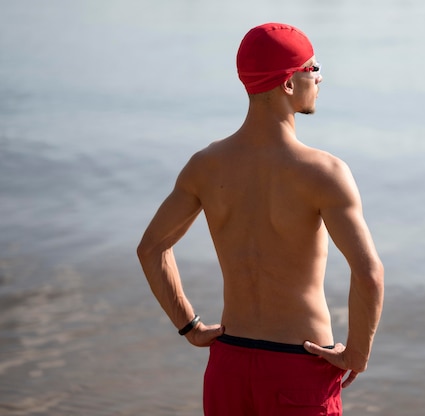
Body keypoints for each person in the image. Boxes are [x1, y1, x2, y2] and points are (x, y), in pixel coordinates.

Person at [137, 22, 384, 416]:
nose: (320, 77)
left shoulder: (205, 166)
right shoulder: (324, 172)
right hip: (299, 366)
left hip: (229, 364)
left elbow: (151, 249)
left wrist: (190, 326)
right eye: (313, 67)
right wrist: (357, 352)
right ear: (289, 83)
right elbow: (368, 272)